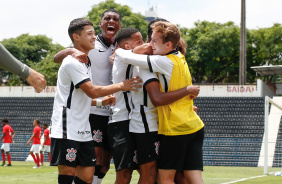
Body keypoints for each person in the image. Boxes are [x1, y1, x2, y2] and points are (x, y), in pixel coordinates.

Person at [50, 18, 140, 184]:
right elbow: (92, 91)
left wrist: (100, 102)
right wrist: (122, 85)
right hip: (66, 126)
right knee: (68, 174)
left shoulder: (86, 61)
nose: (94, 37)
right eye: (89, 34)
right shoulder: (72, 62)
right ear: (76, 37)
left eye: (94, 33)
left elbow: (83, 97)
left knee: (87, 176)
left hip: (83, 128)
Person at [115, 21, 205, 184]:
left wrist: (119, 51)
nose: (150, 45)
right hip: (193, 125)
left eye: (153, 41)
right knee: (191, 176)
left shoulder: (161, 62)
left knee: (164, 178)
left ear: (168, 44)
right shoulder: (180, 57)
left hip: (175, 128)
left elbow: (125, 55)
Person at [108, 27, 144, 184]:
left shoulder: (135, 58)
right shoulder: (122, 54)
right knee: (124, 174)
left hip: (137, 121)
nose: (144, 43)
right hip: (121, 121)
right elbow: (148, 47)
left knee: (147, 170)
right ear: (127, 46)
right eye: (139, 41)